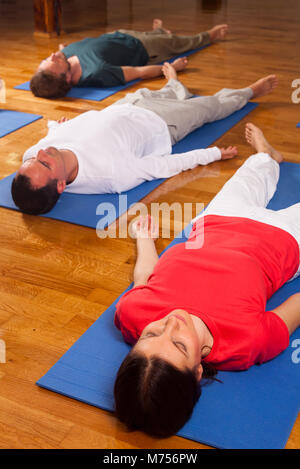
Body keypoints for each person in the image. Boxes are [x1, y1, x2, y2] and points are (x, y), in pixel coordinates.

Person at [113, 123, 300, 438]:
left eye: (149, 335)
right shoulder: (247, 343)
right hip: (284, 240)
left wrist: (144, 238)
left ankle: (268, 157)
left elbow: (146, 278)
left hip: (216, 222)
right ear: (198, 370)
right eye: (178, 344)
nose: (171, 322)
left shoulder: (129, 315)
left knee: (255, 167)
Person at [11, 65, 278, 215]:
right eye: (44, 164)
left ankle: (174, 85)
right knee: (210, 108)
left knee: (160, 92)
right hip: (162, 123)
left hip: (125, 105)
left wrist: (55, 127)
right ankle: (249, 91)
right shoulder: (111, 176)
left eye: (35, 158)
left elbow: (48, 138)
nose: (43, 153)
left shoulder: (32, 156)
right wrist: (213, 155)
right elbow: (164, 166)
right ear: (60, 186)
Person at [29, 19, 229, 98]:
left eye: (48, 58)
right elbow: (139, 73)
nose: (54, 55)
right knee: (179, 42)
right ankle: (210, 35)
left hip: (120, 35)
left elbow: (61, 51)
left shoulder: (63, 56)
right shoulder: (97, 73)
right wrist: (170, 68)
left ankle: (159, 31)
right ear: (66, 78)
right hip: (144, 49)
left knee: (160, 35)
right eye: (53, 61)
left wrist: (59, 53)